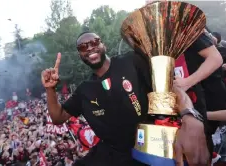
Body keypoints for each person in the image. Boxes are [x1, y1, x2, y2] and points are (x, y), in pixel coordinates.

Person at [42, 32, 211, 166]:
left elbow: (169, 87)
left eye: (94, 42)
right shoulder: (84, 89)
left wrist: (189, 114)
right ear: (80, 55)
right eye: (83, 47)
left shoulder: (131, 61)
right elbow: (58, 117)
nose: (90, 48)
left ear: (103, 45)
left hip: (152, 147)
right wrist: (50, 89)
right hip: (113, 155)